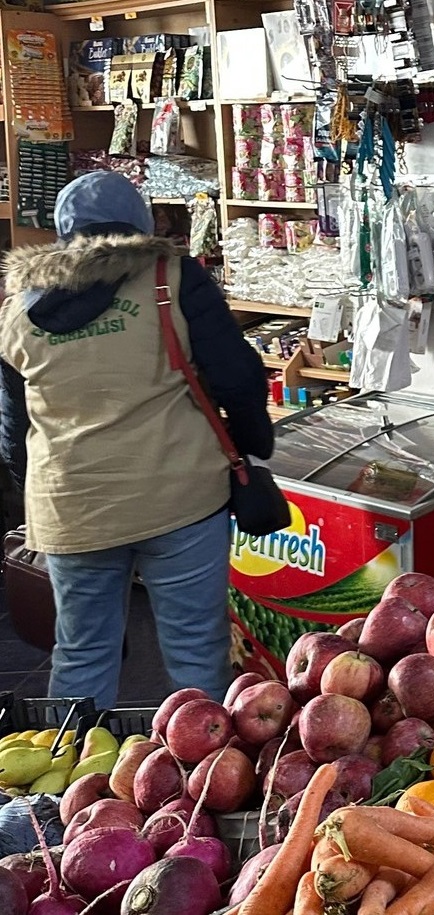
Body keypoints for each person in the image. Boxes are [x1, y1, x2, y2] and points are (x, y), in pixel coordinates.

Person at [0, 171, 273, 708]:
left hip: (71, 505)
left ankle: (74, 786)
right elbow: (237, 378)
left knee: (80, 653)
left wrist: (32, 492)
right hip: (180, 497)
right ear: (142, 222)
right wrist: (250, 446)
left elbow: (13, 431)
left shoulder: (19, 309)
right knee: (196, 652)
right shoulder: (172, 277)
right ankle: (207, 779)